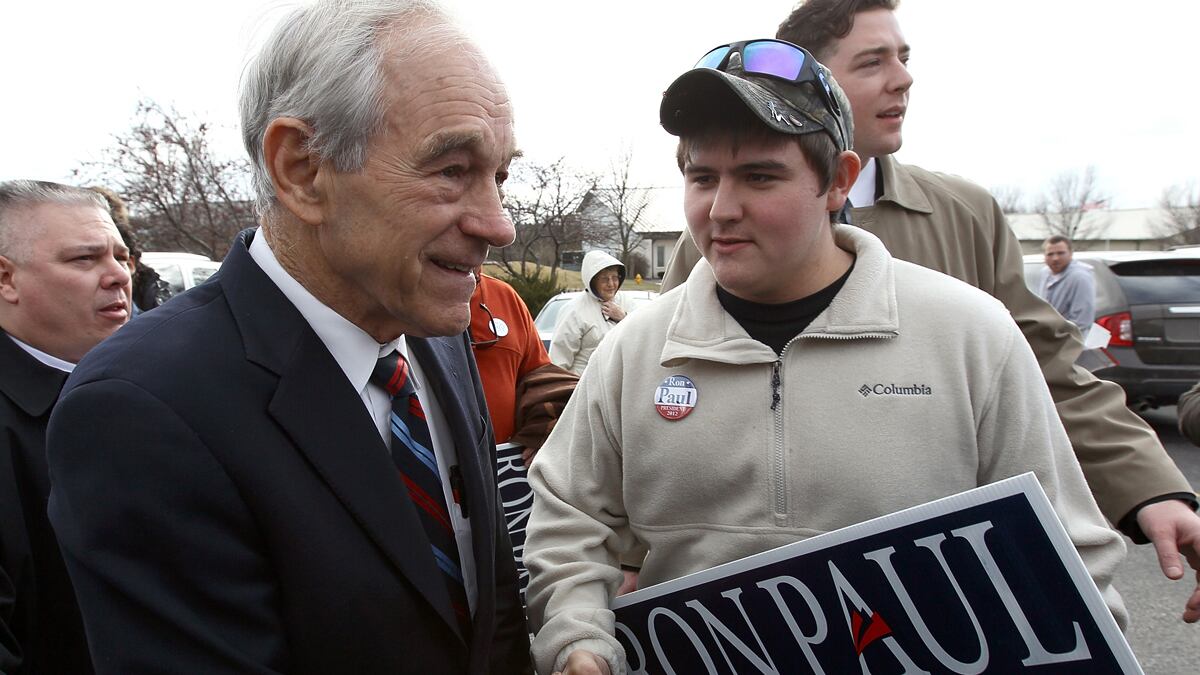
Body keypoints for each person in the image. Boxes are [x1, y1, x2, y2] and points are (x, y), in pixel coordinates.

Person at [524, 40, 1126, 675]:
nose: (722, 209)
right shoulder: (635, 351)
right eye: (702, 177)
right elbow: (569, 523)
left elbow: (1068, 556)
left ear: (838, 180)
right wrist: (578, 643)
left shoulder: (971, 336)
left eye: (760, 176)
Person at [659, 0, 1200, 622]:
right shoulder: (714, 238)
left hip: (934, 601)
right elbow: (667, 394)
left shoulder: (963, 215)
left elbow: (1052, 373)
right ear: (815, 84)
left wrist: (1151, 488)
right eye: (873, 61)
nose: (903, 78)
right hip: (770, 607)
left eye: (904, 58)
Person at [44, 1, 533, 672]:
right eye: (452, 170)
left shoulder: (435, 336)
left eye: (500, 175)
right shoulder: (140, 409)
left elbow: (493, 618)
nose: (499, 223)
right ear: (302, 169)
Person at [0, 180, 132, 673]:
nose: (118, 275)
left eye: (122, 257)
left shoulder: (170, 388)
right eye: (84, 259)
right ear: (5, 279)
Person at [469, 268, 578, 464]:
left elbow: (540, 380)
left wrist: (544, 429)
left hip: (503, 470)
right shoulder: (407, 305)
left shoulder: (505, 297)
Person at [549, 250, 635, 374]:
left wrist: (623, 317)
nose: (611, 284)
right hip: (584, 385)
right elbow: (559, 360)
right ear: (593, 281)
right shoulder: (574, 310)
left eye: (615, 278)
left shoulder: (627, 303)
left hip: (620, 384)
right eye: (605, 279)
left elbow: (643, 338)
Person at [1036, 235, 1095, 330]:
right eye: (1050, 254)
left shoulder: (1080, 277)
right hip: (1050, 336)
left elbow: (1081, 321)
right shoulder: (1045, 273)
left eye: (1060, 253)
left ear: (1071, 254)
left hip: (1070, 340)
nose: (1055, 258)